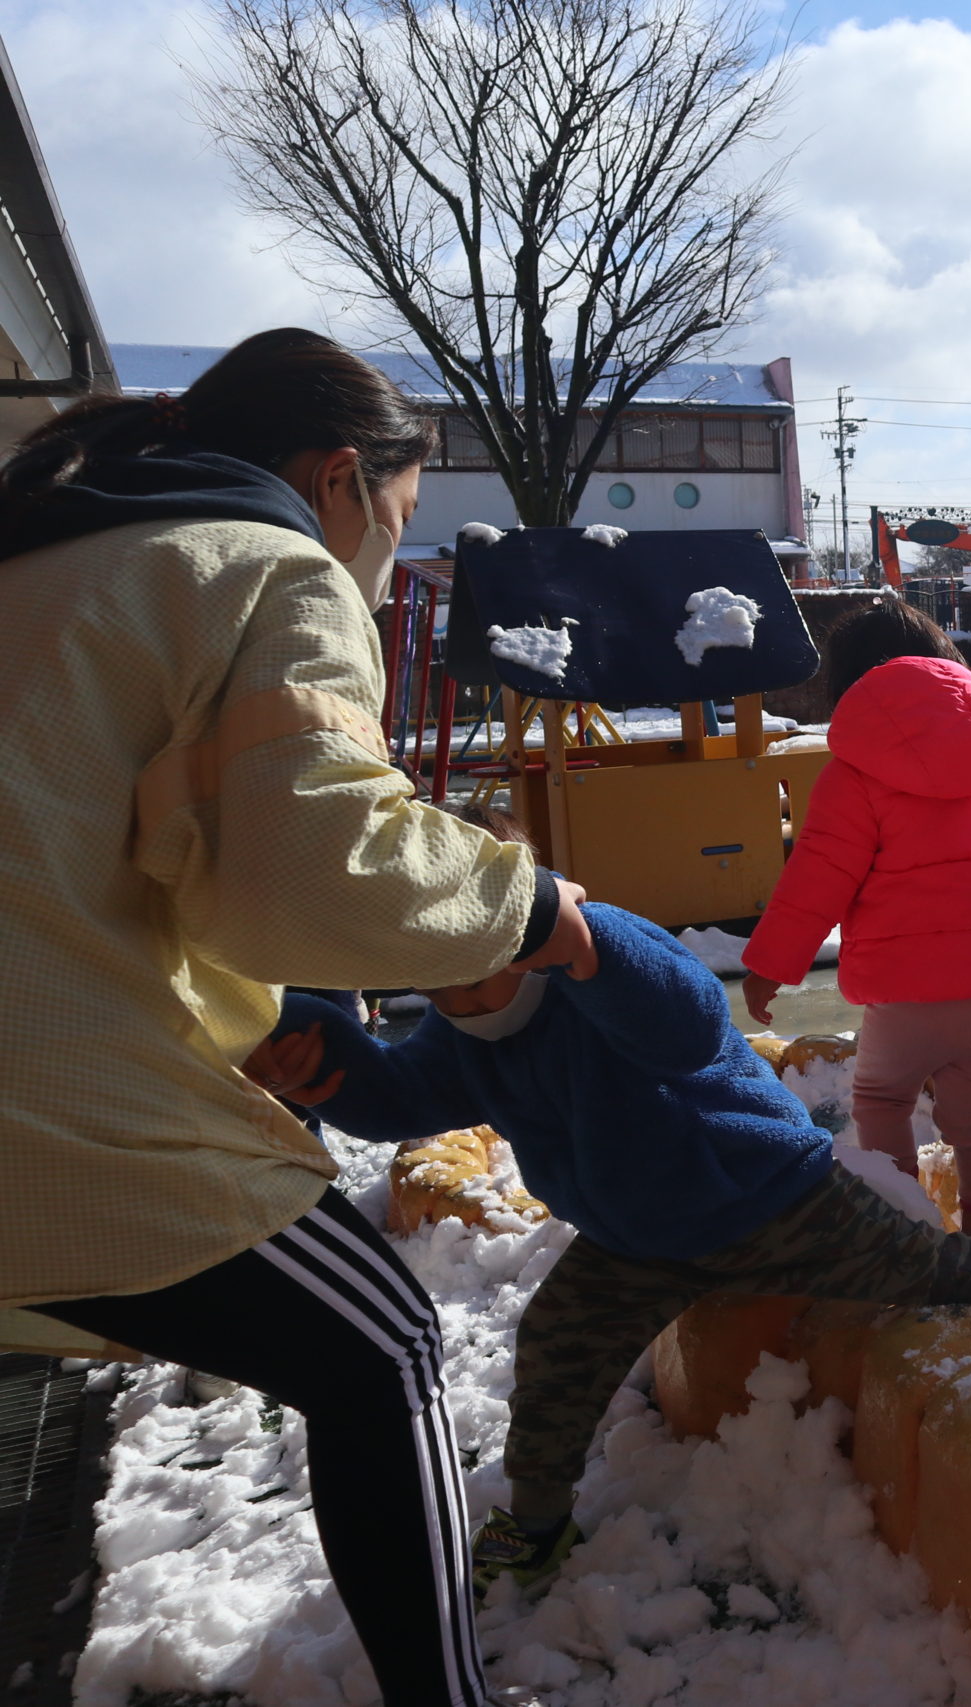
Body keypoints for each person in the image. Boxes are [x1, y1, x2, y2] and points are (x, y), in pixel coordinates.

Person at [0, 328, 597, 1707]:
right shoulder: (264, 562)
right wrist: (524, 903)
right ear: (338, 480)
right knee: (383, 1340)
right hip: (45, 1089)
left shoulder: (54, 557)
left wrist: (272, 1006)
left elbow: (117, 844)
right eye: (398, 515)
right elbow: (311, 852)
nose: (388, 555)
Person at [254, 889, 971, 1603]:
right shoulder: (462, 1034)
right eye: (438, 986)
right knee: (555, 1346)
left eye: (474, 978)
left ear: (530, 934)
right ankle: (538, 1519)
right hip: (635, 1240)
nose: (459, 1005)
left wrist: (586, 944)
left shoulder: (597, 966)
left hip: (774, 1198)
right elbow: (403, 1094)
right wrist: (326, 1066)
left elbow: (685, 1019)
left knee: (932, 1265)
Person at [740, 600, 971, 1251]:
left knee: (882, 1101)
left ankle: (904, 1233)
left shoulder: (854, 772)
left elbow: (816, 879)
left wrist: (770, 965)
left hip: (907, 989)